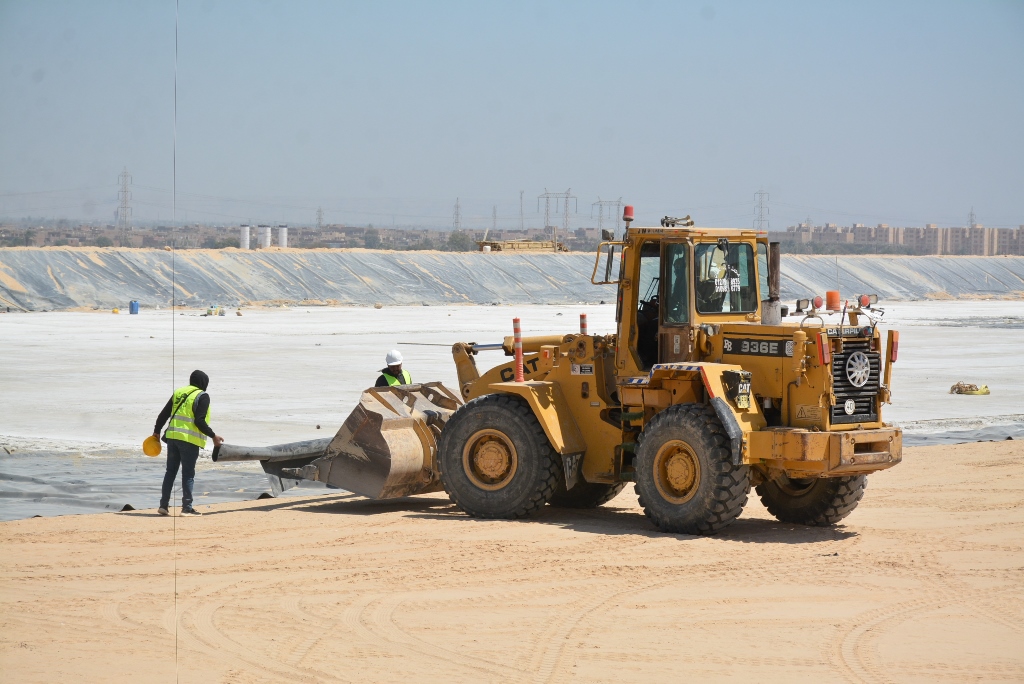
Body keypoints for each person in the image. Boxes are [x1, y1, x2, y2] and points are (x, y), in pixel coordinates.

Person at [153, 369, 223, 516]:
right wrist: (213, 436)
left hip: (172, 438)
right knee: (188, 474)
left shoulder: (179, 392)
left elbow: (163, 414)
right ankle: (186, 508)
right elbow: (199, 421)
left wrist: (157, 432)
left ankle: (163, 506)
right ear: (204, 383)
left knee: (170, 472)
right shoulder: (202, 396)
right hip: (189, 441)